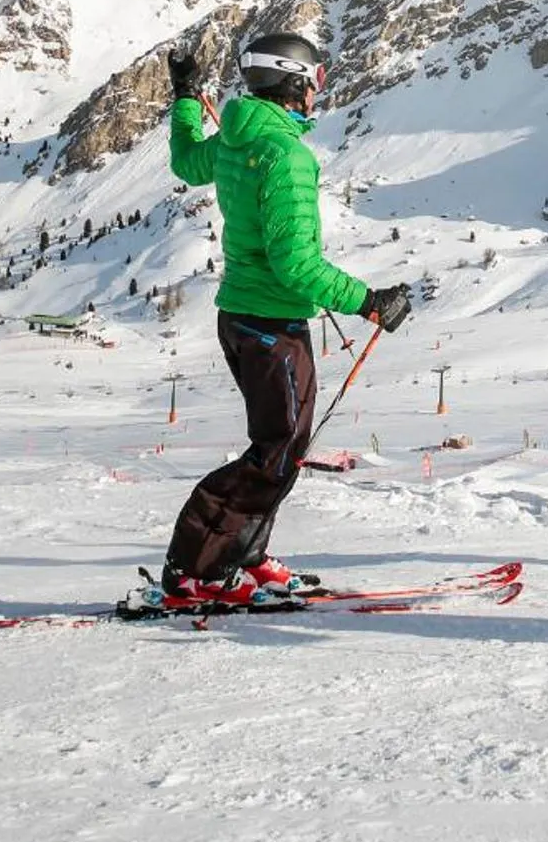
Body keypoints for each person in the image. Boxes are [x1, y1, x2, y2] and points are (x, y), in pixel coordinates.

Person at [147, 31, 414, 610]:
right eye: (315, 80)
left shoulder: (237, 137)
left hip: (244, 317)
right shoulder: (285, 155)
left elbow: (186, 160)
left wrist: (187, 96)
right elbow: (296, 264)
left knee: (282, 449)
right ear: (292, 83)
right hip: (271, 323)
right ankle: (199, 570)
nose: (319, 92)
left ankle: (243, 557)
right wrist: (368, 300)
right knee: (272, 456)